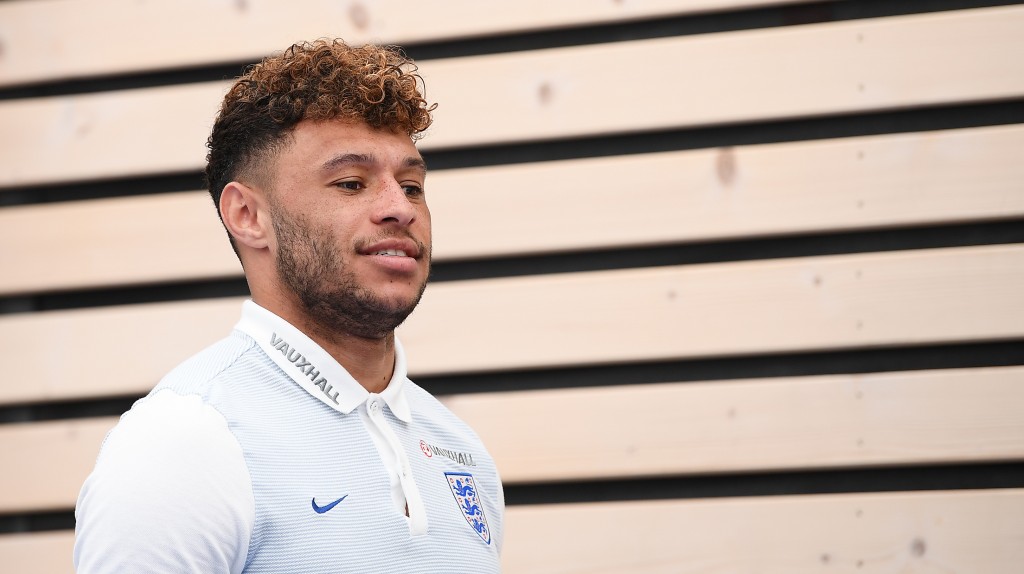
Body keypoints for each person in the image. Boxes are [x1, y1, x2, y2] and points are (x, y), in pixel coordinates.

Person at [73, 39, 504, 573]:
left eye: (412, 186)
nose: (399, 208)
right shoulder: (185, 441)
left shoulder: (459, 450)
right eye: (352, 183)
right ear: (248, 215)